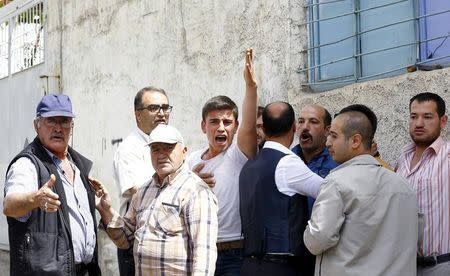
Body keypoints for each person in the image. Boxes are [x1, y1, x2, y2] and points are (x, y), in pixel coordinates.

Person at [304, 104, 418, 276]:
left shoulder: (336, 182)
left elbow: (317, 240)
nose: (327, 142)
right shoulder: (402, 184)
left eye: (334, 136)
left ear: (355, 141)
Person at [93, 124, 219, 275]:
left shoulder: (196, 191)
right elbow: (125, 239)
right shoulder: (144, 191)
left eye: (168, 148)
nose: (161, 155)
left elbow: (204, 254)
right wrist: (106, 210)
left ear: (184, 151)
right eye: (155, 149)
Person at [3, 94, 101, 275]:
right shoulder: (28, 164)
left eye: (64, 121)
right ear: (36, 125)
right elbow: (10, 206)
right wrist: (35, 199)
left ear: (72, 126)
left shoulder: (79, 165)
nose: (58, 128)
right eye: (51, 121)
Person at [187, 48, 258, 275]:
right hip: (198, 250)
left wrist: (251, 87)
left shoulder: (238, 155)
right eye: (214, 121)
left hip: (233, 253)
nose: (221, 127)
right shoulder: (191, 161)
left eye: (227, 122)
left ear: (235, 127)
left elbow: (249, 123)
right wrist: (192, 182)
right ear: (203, 126)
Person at [239, 102, 323, 276]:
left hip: (249, 265)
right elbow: (329, 191)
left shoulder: (249, 165)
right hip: (281, 266)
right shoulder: (287, 163)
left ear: (264, 129)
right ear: (294, 127)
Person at [112, 86, 171, 276]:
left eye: (165, 108)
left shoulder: (173, 144)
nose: (162, 114)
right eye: (154, 108)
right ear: (138, 115)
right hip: (136, 241)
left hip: (166, 241)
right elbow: (139, 192)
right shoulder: (130, 148)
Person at [395, 92, 449, 276]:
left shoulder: (448, 157)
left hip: (441, 266)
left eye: (427, 117)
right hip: (403, 266)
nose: (419, 123)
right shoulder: (402, 158)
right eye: (413, 116)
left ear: (443, 121)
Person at [291, 104, 338, 217]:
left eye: (313, 122)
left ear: (327, 130)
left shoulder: (338, 163)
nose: (305, 127)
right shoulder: (288, 160)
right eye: (301, 121)